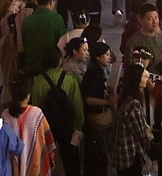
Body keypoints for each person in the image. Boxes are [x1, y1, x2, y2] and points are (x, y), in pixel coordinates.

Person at [30, 48, 83, 176]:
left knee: (46, 161)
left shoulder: (38, 81)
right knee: (71, 162)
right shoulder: (70, 78)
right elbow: (77, 105)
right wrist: (77, 127)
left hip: (48, 128)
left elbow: (36, 107)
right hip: (67, 126)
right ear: (60, 61)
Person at [2, 80, 56, 176]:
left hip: (12, 165)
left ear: (11, 96)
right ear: (28, 96)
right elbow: (48, 138)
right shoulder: (37, 114)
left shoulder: (5, 115)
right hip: (35, 162)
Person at [109, 64, 152, 176]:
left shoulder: (125, 97)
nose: (147, 79)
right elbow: (140, 133)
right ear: (136, 79)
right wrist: (148, 143)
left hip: (122, 154)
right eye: (144, 76)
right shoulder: (133, 104)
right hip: (129, 156)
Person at [81, 42, 116, 176]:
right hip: (94, 120)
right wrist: (107, 101)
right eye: (106, 55)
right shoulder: (94, 74)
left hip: (93, 121)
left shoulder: (97, 71)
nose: (109, 57)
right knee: (98, 155)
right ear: (97, 57)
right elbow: (89, 99)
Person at [21, 0, 67, 77]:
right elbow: (62, 43)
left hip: (32, 65)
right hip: (51, 67)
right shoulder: (57, 19)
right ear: (51, 1)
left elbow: (24, 44)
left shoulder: (27, 20)